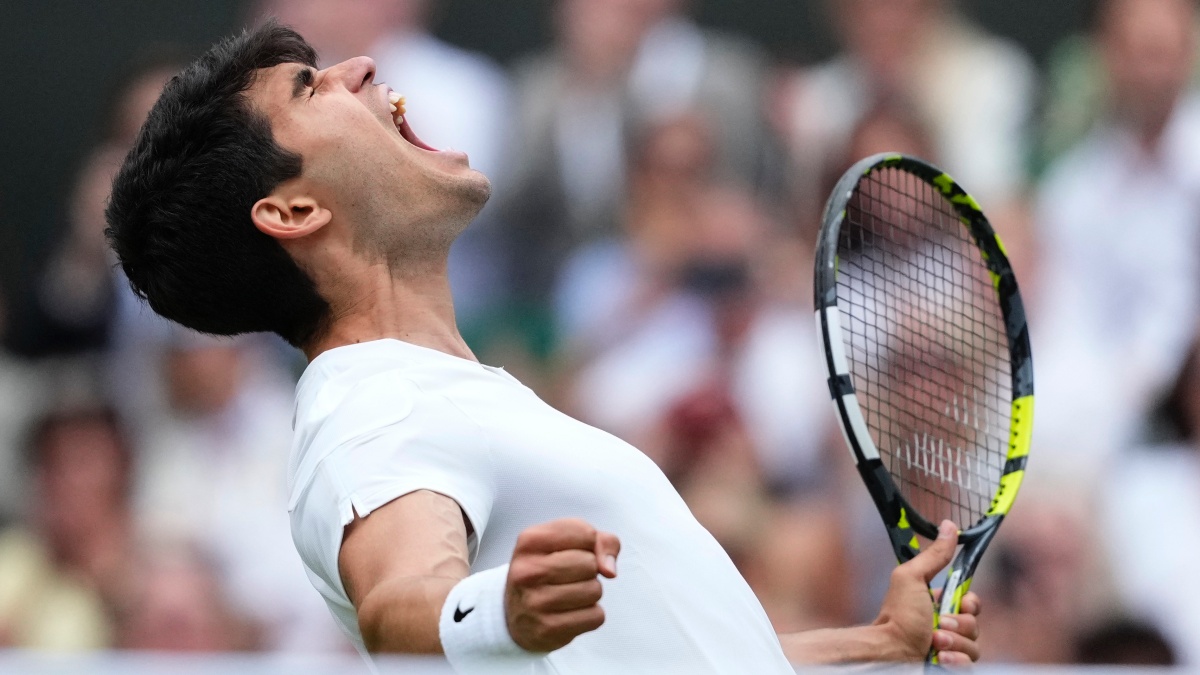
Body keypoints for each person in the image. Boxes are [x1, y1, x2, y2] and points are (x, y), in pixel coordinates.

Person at [105, 23, 982, 671]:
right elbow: (395, 599)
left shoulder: (444, 396)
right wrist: (500, 608)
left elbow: (684, 655)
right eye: (309, 88)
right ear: (293, 212)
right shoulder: (369, 407)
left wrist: (875, 643)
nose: (360, 65)